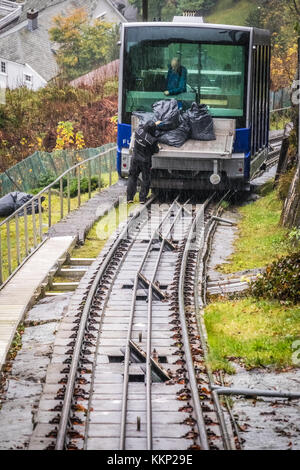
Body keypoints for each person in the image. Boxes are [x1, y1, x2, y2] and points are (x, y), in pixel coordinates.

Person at [127, 120, 160, 204]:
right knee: (146, 179)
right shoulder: (152, 140)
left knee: (132, 177)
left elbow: (141, 127)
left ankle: (130, 198)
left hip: (135, 159)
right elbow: (156, 150)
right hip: (145, 161)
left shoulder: (138, 131)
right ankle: (142, 198)